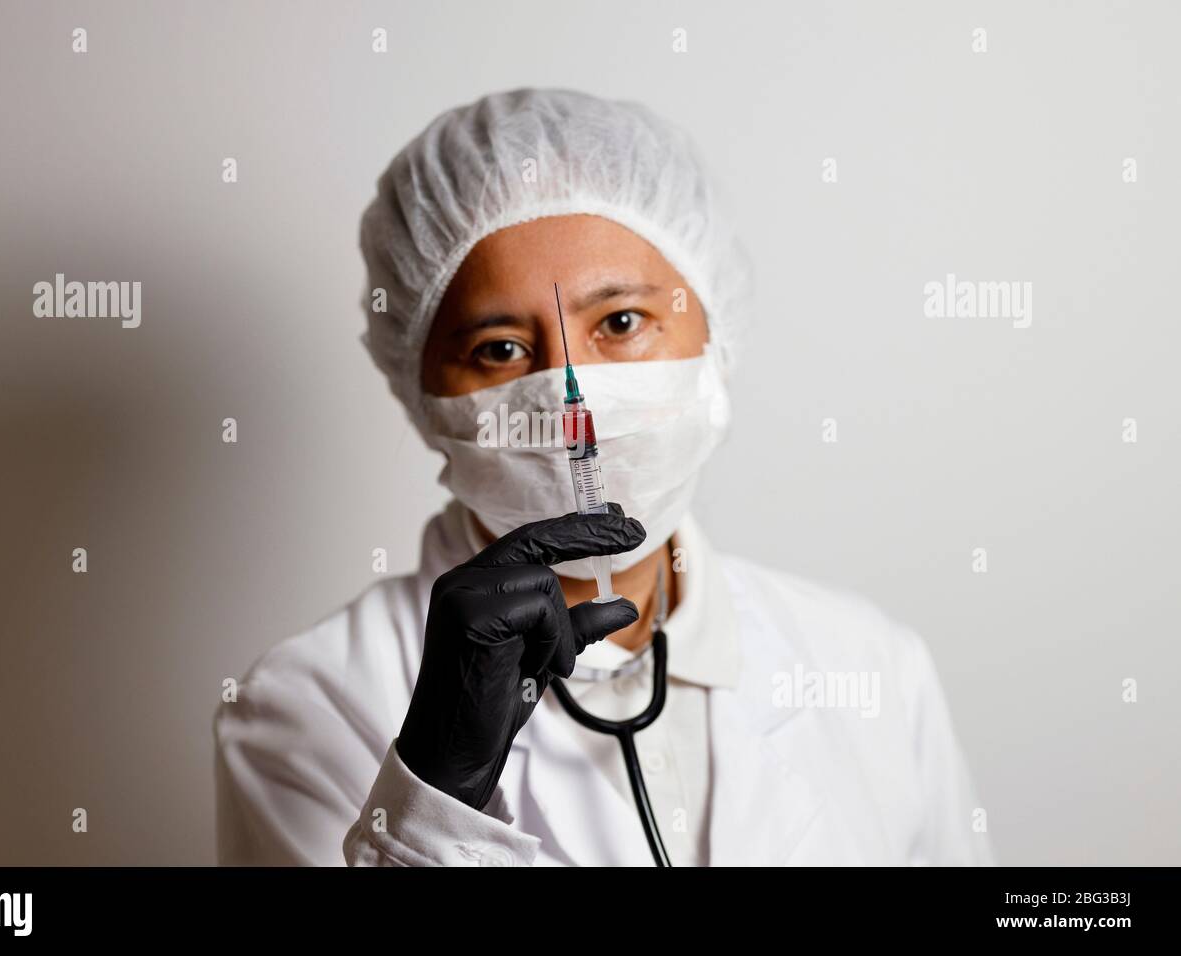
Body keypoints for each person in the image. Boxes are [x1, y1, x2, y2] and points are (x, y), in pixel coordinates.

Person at [213, 87, 995, 867]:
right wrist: (435, 795)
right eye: (498, 348)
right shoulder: (307, 705)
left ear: (715, 337)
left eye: (620, 323)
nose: (568, 398)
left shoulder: (868, 664)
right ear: (423, 395)